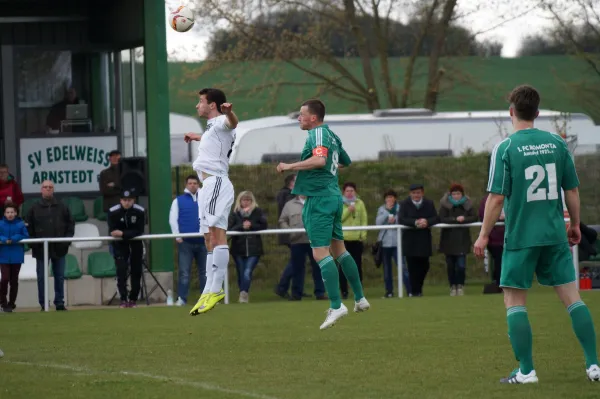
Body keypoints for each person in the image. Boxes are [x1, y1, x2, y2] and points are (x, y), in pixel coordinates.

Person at [474, 84, 599, 384]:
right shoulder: (557, 143)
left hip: (520, 237)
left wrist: (482, 235)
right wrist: (574, 225)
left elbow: (496, 198)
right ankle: (594, 365)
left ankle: (527, 371)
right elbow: (571, 189)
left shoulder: (505, 148)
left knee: (515, 303)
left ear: (511, 112)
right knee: (573, 299)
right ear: (538, 113)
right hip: (554, 235)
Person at [276, 99, 370, 330]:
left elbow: (320, 160)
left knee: (320, 254)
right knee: (339, 250)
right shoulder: (332, 136)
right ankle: (360, 298)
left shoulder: (317, 134)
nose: (299, 118)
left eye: (301, 114)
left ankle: (337, 305)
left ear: (314, 118)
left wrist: (290, 166)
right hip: (333, 197)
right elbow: (344, 162)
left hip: (318, 200)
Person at [187, 88, 238, 316]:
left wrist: (230, 113)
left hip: (217, 182)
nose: (197, 105)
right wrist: (196, 137)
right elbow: (216, 139)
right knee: (208, 238)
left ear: (213, 105)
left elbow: (232, 124)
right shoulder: (211, 127)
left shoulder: (221, 121)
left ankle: (216, 290)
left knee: (217, 236)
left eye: (201, 101)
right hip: (207, 186)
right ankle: (208, 290)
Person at [25, 180, 74, 311]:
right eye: (45, 187)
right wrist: (33, 244)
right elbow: (29, 228)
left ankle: (59, 303)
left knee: (59, 276)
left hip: (59, 248)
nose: (48, 189)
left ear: (53, 190)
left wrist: (66, 241)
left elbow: (70, 225)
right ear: (41, 189)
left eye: (50, 187)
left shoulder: (62, 206)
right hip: (41, 249)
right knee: (41, 278)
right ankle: (43, 304)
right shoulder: (33, 208)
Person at [169, 175, 207, 305]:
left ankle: (205, 299)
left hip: (203, 241)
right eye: (190, 183)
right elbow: (173, 219)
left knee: (205, 272)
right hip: (186, 242)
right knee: (184, 272)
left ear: (198, 184)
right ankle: (182, 299)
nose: (193, 185)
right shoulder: (178, 201)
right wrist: (177, 236)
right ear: (186, 185)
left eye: (195, 183)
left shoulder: (205, 199)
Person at [228, 191, 267, 303]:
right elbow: (230, 229)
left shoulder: (258, 212)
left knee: (247, 271)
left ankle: (243, 293)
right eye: (244, 200)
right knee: (241, 272)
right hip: (238, 249)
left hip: (254, 248)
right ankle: (243, 292)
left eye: (248, 200)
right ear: (240, 201)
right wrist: (242, 226)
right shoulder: (234, 213)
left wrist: (251, 226)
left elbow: (264, 225)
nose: (246, 202)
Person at [108, 189, 146, 308]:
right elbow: (113, 231)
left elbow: (139, 230)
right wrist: (123, 234)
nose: (127, 203)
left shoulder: (140, 211)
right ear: (120, 200)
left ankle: (133, 299)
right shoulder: (113, 212)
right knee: (121, 271)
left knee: (136, 271)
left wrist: (123, 234)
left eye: (129, 200)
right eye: (124, 200)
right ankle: (123, 299)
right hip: (119, 245)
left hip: (136, 244)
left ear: (133, 200)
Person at [438, 183, 477, 296]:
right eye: (454, 193)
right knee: (450, 266)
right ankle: (452, 286)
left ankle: (460, 285)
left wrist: (464, 219)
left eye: (458, 193)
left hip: (462, 239)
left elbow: (474, 217)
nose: (456, 196)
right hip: (448, 240)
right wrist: (455, 219)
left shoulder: (467, 205)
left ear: (462, 194)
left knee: (461, 266)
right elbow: (442, 218)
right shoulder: (445, 205)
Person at [0, 204, 29, 312]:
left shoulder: (20, 224)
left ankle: (11, 304)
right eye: (8, 212)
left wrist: (14, 239)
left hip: (16, 256)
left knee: (14, 281)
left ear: (16, 213)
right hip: (3, 256)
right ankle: (3, 302)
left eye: (12, 212)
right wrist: (4, 239)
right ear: (4, 213)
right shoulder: (0, 224)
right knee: (4, 279)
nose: (10, 214)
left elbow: (25, 235)